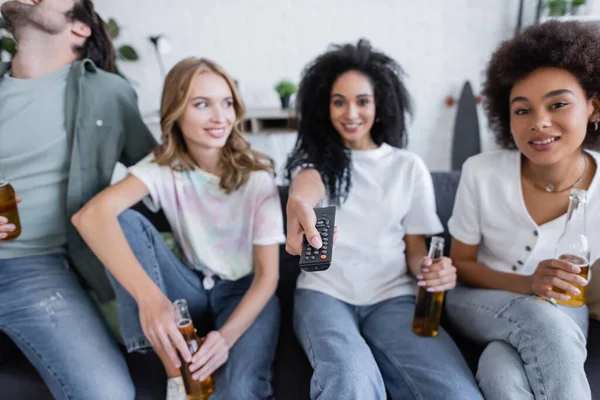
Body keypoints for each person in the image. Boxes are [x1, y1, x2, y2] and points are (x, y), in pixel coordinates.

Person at [72, 57, 285, 400]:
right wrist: (152, 302)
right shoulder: (163, 168)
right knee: (121, 220)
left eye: (227, 103)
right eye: (202, 104)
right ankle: (173, 371)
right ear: (176, 113)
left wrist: (225, 339)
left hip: (245, 290)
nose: (220, 117)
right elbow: (89, 217)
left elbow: (267, 278)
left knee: (241, 389)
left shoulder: (257, 178)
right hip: (191, 288)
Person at [284, 39, 482, 400]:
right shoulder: (316, 165)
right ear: (324, 107)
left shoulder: (407, 167)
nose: (351, 113)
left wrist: (431, 269)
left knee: (457, 393)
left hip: (393, 298)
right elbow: (304, 191)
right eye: (338, 102)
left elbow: (415, 250)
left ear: (380, 105)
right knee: (351, 384)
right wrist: (297, 204)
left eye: (362, 101)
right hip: (325, 295)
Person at [0, 1, 156, 399]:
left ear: (80, 28)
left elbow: (165, 178)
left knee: (108, 395)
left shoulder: (108, 94)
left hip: (34, 271)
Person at [445, 20, 600, 400]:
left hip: (565, 308)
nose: (539, 122)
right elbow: (460, 263)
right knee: (540, 319)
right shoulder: (481, 172)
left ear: (593, 107)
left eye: (558, 104)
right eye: (522, 110)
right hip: (477, 299)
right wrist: (529, 286)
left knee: (500, 373)